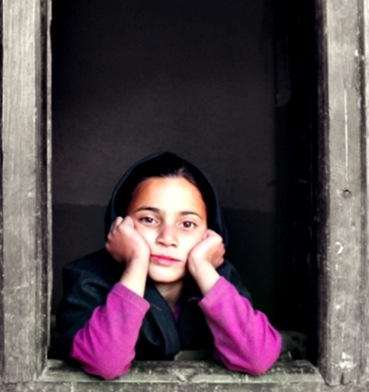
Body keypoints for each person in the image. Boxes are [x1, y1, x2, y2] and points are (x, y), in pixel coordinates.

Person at [52, 152, 282, 379]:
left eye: (188, 224)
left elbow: (257, 358)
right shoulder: (89, 280)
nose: (167, 238)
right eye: (149, 220)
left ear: (210, 234)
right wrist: (137, 262)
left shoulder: (217, 281)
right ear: (120, 225)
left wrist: (202, 267)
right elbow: (105, 362)